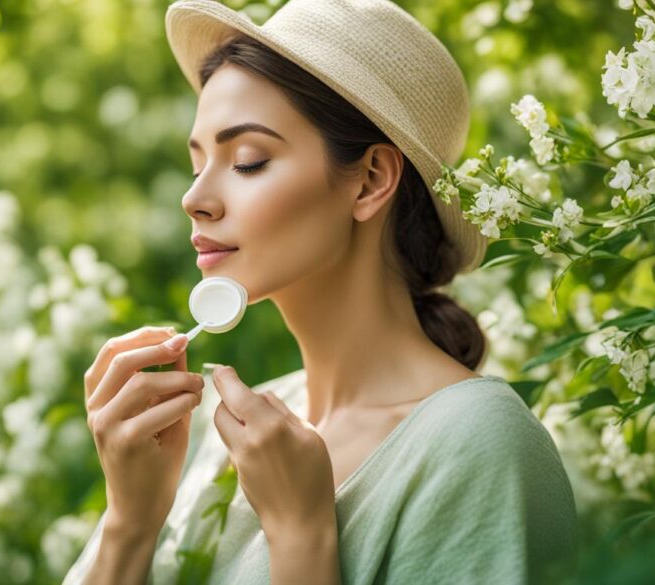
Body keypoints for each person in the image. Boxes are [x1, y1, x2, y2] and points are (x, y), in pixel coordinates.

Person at [65, 1, 578, 583]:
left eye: (249, 161)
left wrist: (302, 537)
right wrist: (130, 521)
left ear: (371, 180)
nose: (195, 199)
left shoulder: (479, 446)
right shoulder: (214, 432)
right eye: (198, 163)